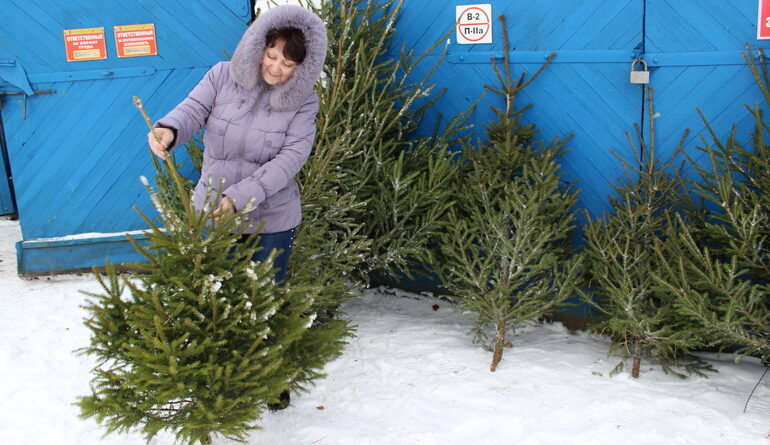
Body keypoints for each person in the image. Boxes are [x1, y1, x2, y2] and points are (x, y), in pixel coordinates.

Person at [147, 5, 327, 285]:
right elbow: (193, 109)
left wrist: (239, 198)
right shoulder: (221, 75)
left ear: (302, 68)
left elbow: (291, 157)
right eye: (272, 56)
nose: (276, 68)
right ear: (259, 46)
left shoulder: (305, 102)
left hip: (272, 221)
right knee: (213, 298)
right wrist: (169, 129)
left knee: (263, 302)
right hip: (213, 209)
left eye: (288, 64)